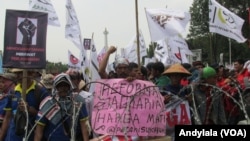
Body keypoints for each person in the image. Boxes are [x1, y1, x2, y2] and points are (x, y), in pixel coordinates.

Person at [34, 73, 89, 141]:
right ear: (55, 87)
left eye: (65, 85)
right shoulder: (47, 103)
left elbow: (84, 126)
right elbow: (39, 131)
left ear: (70, 86)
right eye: (60, 86)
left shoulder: (78, 100)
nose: (63, 88)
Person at [0, 69, 49, 141]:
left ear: (31, 74)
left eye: (21, 73)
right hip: (12, 137)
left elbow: (46, 117)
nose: (18, 76)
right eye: (16, 73)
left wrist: (29, 110)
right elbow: (7, 118)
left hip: (31, 136)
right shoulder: (13, 92)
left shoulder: (41, 92)